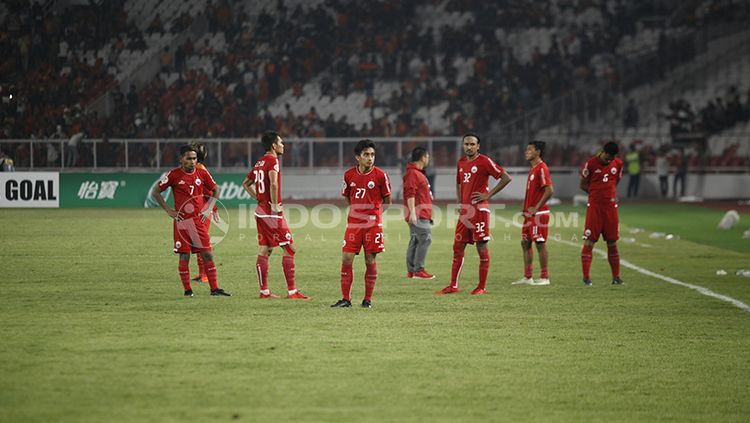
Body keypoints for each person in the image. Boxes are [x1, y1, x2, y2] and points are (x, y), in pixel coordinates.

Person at [435, 133, 512, 295]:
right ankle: (453, 286)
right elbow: (459, 183)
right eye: (466, 144)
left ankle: (481, 287)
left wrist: (488, 195)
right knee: (457, 247)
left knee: (481, 246)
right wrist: (459, 203)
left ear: (478, 146)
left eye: (472, 144)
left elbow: (505, 177)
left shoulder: (484, 161)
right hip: (465, 212)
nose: (469, 147)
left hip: (479, 211)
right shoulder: (461, 162)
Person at [151, 144, 231, 296]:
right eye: (189, 158)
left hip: (198, 222)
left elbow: (216, 189)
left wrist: (209, 208)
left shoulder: (202, 173)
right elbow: (156, 191)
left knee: (207, 254)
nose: (192, 161)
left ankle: (214, 289)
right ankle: (187, 290)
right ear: (181, 159)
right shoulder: (173, 175)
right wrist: (169, 210)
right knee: (184, 255)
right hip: (182, 222)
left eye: (194, 158)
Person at [242, 131, 309, 300]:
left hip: (260, 211)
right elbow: (273, 183)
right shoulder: (273, 161)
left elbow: (245, 183)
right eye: (281, 142)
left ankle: (264, 292)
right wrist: (273, 205)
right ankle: (292, 292)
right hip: (271, 213)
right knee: (290, 248)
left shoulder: (259, 162)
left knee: (265, 249)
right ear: (273, 145)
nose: (283, 145)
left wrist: (259, 198)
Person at [331, 139, 392, 308]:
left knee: (370, 258)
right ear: (358, 157)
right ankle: (346, 299)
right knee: (347, 258)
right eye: (366, 155)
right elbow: (347, 196)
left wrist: (374, 215)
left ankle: (367, 300)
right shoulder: (349, 175)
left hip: (372, 225)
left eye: (372, 155)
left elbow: (387, 201)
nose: (370, 158)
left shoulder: (381, 175)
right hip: (354, 224)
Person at [579, 141, 624, 286]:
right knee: (590, 241)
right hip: (595, 208)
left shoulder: (617, 164)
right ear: (602, 152)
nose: (609, 160)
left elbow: (615, 181)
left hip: (610, 208)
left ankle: (616, 278)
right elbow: (582, 184)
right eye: (607, 157)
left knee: (612, 242)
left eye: (611, 158)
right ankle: (586, 278)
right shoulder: (591, 164)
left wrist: (607, 194)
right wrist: (595, 194)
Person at [513, 141, 553, 286]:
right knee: (525, 243)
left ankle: (544, 277)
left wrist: (536, 208)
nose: (526, 152)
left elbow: (549, 190)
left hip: (539, 214)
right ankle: (528, 277)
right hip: (530, 215)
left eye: (529, 149)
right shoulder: (533, 169)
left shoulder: (542, 168)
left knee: (540, 243)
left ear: (538, 152)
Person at [403, 146, 434, 280]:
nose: (428, 159)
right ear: (423, 157)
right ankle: (418, 270)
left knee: (415, 240)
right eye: (427, 156)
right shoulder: (413, 173)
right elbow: (410, 193)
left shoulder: (415, 173)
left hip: (421, 213)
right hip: (419, 214)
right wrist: (413, 213)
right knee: (425, 239)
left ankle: (412, 271)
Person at [190, 143, 219, 284]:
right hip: (199, 210)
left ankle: (205, 275)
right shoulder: (197, 169)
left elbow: (210, 192)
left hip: (203, 211)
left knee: (201, 242)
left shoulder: (200, 170)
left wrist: (213, 209)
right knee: (197, 242)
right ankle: (202, 273)